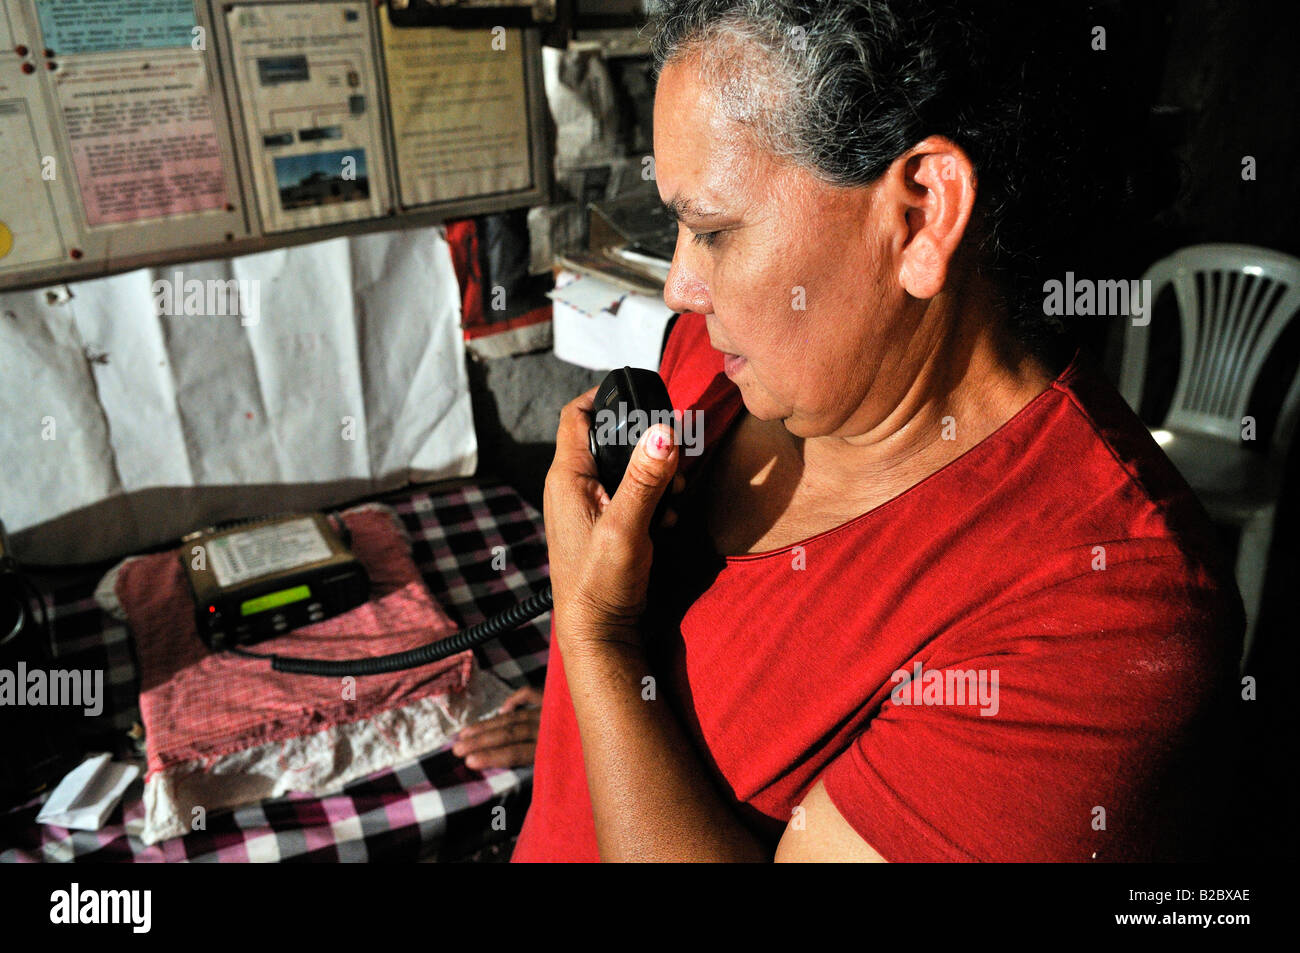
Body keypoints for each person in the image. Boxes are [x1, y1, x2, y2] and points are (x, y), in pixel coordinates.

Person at [498, 0, 1242, 861]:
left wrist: (595, 639)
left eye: (712, 231)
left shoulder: (1103, 613)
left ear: (920, 214)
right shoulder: (721, 361)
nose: (679, 288)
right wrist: (577, 716)